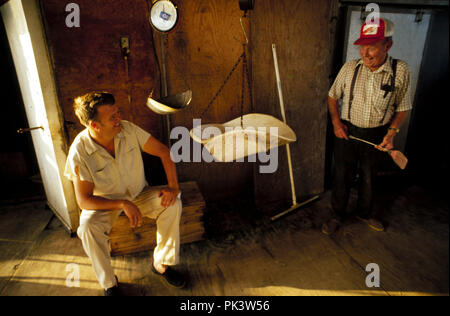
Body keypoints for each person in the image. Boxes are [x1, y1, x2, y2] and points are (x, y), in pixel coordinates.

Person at [64, 91, 186, 295]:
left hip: (139, 193)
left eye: (118, 112)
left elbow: (164, 152)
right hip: (105, 203)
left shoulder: (128, 129)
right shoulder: (79, 151)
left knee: (173, 204)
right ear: (95, 125)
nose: (119, 118)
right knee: (86, 228)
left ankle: (161, 265)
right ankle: (109, 284)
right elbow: (84, 201)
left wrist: (173, 187)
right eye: (112, 117)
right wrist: (121, 204)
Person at [322, 18, 412, 235]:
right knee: (341, 175)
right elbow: (332, 96)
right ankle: (337, 215)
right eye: (362, 46)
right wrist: (336, 123)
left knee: (369, 176)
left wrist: (391, 133)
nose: (365, 52)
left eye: (371, 47)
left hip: (378, 134)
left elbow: (404, 106)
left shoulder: (399, 70)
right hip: (348, 132)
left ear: (387, 45)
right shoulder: (350, 68)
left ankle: (364, 212)